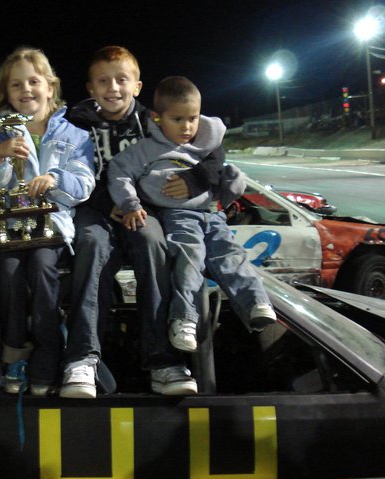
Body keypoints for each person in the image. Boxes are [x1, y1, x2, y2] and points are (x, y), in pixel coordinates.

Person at [61, 46, 204, 398]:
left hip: (140, 209)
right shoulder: (75, 123)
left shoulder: (154, 121)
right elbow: (68, 171)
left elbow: (204, 146)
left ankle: (163, 361)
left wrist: (197, 180)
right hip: (95, 208)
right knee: (91, 244)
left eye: (121, 80)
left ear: (137, 86)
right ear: (90, 88)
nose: (113, 88)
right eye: (103, 81)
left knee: (153, 243)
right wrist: (105, 201)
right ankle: (82, 359)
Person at [108, 76, 277, 357]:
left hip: (212, 213)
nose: (186, 127)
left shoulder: (208, 145)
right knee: (189, 258)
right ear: (157, 117)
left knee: (231, 254)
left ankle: (255, 302)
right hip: (179, 215)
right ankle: (184, 318)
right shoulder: (146, 149)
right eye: (177, 119)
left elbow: (224, 174)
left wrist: (228, 190)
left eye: (192, 118)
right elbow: (118, 172)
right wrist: (130, 203)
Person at [0, 46, 95, 396]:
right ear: (7, 92)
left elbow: (85, 185)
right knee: (7, 272)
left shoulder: (76, 135)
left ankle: (48, 357)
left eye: (33, 81)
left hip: (53, 225)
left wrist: (55, 179)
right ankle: (15, 354)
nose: (25, 89)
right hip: (12, 226)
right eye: (16, 85)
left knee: (43, 269)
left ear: (50, 86)